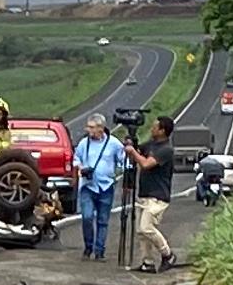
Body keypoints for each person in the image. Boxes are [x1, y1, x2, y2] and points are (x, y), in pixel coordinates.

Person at [72, 112, 130, 258]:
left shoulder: (114, 144)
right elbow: (76, 158)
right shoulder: (84, 143)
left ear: (101, 128)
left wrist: (123, 174)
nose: (88, 130)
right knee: (87, 217)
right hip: (88, 186)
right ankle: (88, 246)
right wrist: (80, 167)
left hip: (106, 186)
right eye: (88, 127)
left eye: (92, 127)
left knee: (103, 220)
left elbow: (123, 161)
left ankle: (99, 250)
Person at [127, 112, 180, 270]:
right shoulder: (150, 145)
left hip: (158, 196)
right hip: (145, 193)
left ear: (163, 130)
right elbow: (136, 153)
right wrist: (132, 143)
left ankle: (168, 254)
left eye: (155, 127)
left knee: (146, 228)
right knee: (140, 232)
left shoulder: (166, 149)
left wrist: (133, 152)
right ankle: (147, 262)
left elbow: (146, 164)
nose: (151, 129)